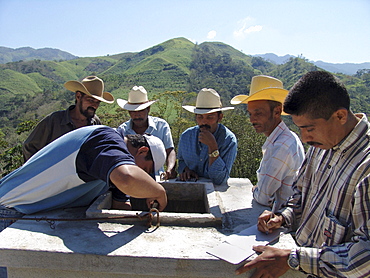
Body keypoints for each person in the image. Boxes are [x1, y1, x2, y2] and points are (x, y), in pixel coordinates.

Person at [236, 71, 370, 278]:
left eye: (309, 128)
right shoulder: (320, 145)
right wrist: (282, 217)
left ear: (340, 116)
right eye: (299, 129)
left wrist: (294, 258)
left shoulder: (365, 166)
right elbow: (299, 196)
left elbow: (366, 256)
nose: (304, 138)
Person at [0, 125, 167, 232]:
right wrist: (158, 191)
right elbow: (128, 179)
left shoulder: (113, 160)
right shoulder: (105, 139)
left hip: (32, 213)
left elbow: (120, 205)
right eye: (145, 170)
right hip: (10, 209)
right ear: (142, 151)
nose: (144, 175)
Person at [231, 75, 305, 209]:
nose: (252, 120)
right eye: (250, 114)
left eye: (258, 113)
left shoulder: (281, 146)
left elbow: (264, 198)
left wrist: (257, 190)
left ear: (277, 111)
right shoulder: (287, 138)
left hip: (280, 220)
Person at [22, 75, 114, 161]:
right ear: (78, 96)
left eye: (98, 102)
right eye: (90, 100)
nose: (94, 105)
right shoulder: (55, 121)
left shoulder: (95, 123)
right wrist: (39, 172)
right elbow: (29, 146)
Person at [178, 88, 237, 185]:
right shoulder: (186, 136)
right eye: (200, 117)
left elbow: (220, 180)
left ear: (220, 117)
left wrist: (213, 147)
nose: (204, 122)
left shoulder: (228, 140)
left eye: (210, 117)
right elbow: (181, 161)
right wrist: (186, 170)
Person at [116, 86, 177, 180]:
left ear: (148, 109)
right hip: (131, 178)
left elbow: (169, 150)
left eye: (140, 111)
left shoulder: (161, 125)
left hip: (157, 176)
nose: (137, 115)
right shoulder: (122, 130)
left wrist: (169, 169)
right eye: (133, 112)